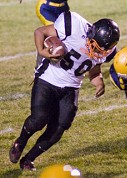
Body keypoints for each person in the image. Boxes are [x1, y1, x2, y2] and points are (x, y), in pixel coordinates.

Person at [9, 11, 120, 171]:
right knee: (39, 119)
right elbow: (40, 32)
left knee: (59, 128)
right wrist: (42, 51)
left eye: (100, 51)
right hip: (49, 78)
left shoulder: (106, 49)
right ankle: (20, 142)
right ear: (91, 34)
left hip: (72, 86)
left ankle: (29, 159)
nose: (96, 52)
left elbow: (94, 68)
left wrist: (98, 82)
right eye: (95, 47)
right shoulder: (73, 26)